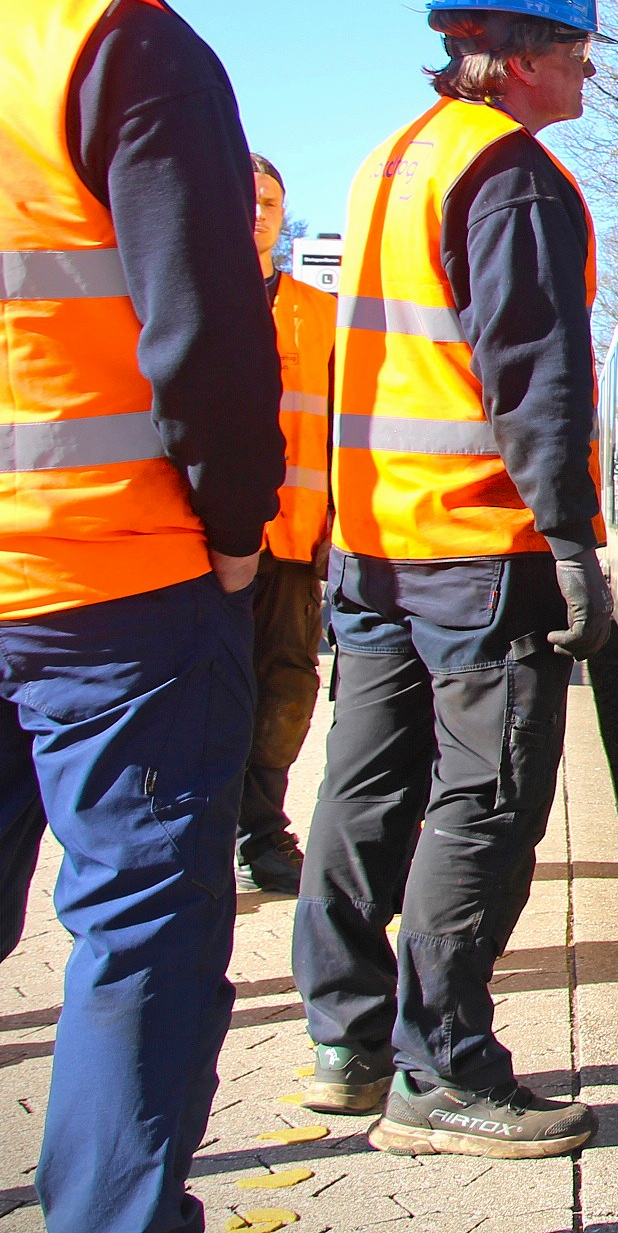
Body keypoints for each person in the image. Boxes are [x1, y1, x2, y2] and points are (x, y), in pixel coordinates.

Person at [0, 0, 282, 1233]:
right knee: (136, 932)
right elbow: (209, 340)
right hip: (110, 590)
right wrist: (237, 538)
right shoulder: (121, 43)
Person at [292, 0, 612, 1160]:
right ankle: (444, 1070)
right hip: (478, 545)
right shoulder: (510, 175)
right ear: (522, 54)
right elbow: (534, 380)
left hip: (375, 542)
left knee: (366, 790)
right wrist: (570, 543)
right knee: (486, 801)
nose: (590, 67)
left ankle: (346, 1043)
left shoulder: (394, 161)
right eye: (577, 44)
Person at [240, 153, 334, 894]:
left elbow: (343, 427)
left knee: (284, 689)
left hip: (292, 542)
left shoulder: (320, 313)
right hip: (194, 548)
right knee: (202, 694)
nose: (258, 213)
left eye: (270, 202)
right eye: (244, 200)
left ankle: (263, 835)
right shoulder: (178, 297)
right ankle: (204, 836)